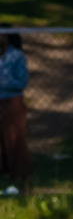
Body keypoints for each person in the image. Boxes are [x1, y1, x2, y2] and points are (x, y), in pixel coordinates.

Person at [0, 27, 30, 196]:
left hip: (11, 102)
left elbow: (21, 82)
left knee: (14, 139)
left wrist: (3, 81)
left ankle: (18, 174)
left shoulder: (17, 57)